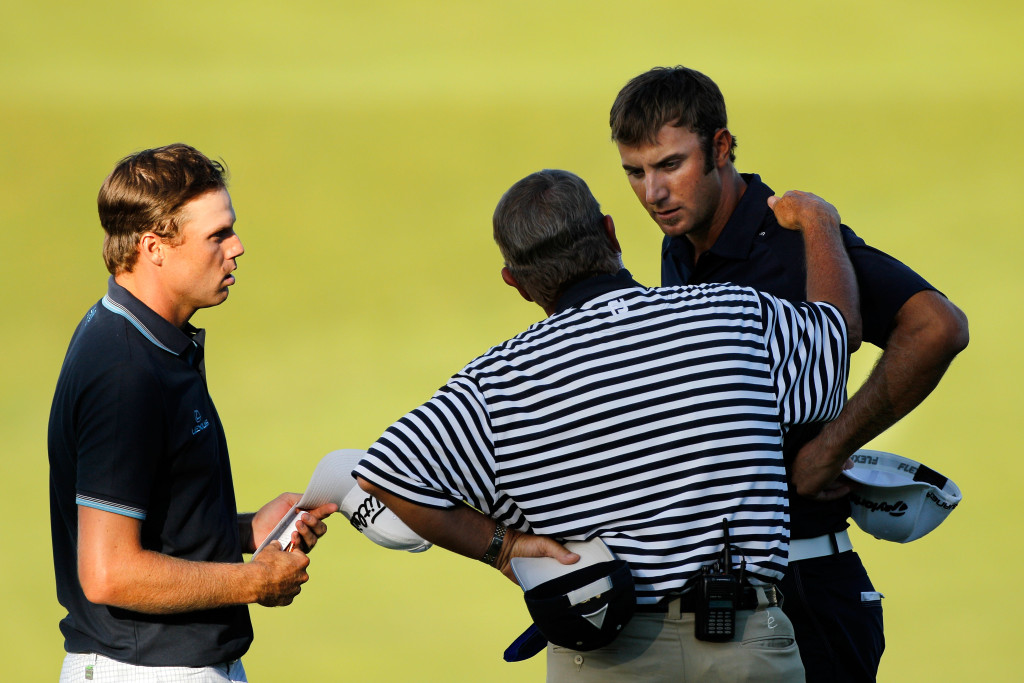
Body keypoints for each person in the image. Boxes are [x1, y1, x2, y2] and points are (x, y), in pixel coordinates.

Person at [355, 169, 861, 681]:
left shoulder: (494, 383)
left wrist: (501, 547)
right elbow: (836, 334)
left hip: (600, 656)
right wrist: (820, 221)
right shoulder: (730, 313)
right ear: (611, 233)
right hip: (744, 646)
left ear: (517, 282)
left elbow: (387, 474)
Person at [609, 66, 970, 681]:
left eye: (670, 165)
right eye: (635, 173)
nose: (653, 194)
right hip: (726, 606)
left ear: (721, 148)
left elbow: (938, 327)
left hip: (804, 592)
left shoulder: (792, 240)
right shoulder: (684, 239)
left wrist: (833, 446)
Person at [48, 143, 337, 682]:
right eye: (218, 235)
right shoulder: (123, 372)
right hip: (147, 671)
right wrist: (253, 581)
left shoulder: (150, 340)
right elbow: (108, 572)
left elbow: (157, 528)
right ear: (155, 247)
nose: (237, 247)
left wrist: (248, 531)